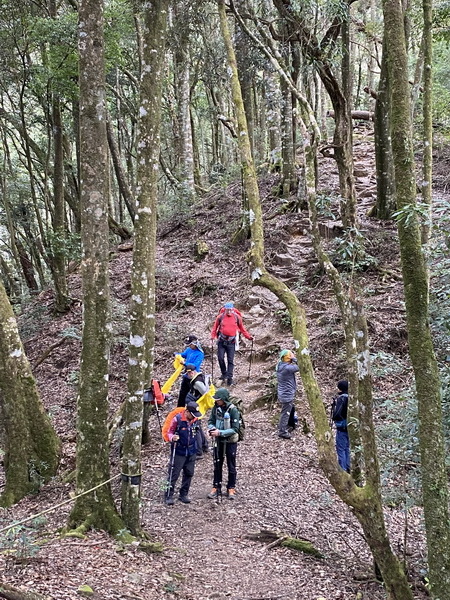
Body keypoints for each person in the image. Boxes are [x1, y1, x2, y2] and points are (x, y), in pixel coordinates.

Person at [165, 400, 202, 505]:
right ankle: (168, 495)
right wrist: (172, 437)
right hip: (179, 450)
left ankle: (183, 494)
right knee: (174, 473)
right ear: (187, 412)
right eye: (193, 414)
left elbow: (198, 433)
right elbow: (169, 431)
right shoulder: (177, 419)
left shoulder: (196, 420)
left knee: (189, 473)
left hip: (192, 450)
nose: (195, 417)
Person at [207, 387, 240, 500]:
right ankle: (216, 486)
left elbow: (235, 428)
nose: (217, 401)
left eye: (219, 399)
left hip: (230, 441)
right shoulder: (215, 408)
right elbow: (211, 420)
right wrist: (211, 429)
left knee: (231, 464)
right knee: (217, 463)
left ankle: (231, 487)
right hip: (218, 440)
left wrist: (220, 432)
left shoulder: (233, 410)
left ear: (224, 399)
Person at [210, 302, 253, 386]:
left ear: (233, 309)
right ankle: (224, 373)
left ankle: (230, 378)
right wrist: (212, 336)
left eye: (230, 310)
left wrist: (249, 337)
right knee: (220, 358)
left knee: (230, 360)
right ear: (225, 309)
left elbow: (242, 329)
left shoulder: (237, 317)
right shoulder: (220, 317)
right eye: (227, 310)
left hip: (231, 342)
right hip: (221, 341)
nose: (229, 311)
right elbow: (215, 328)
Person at [184, 364, 209, 458]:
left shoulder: (197, 382)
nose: (189, 374)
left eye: (190, 372)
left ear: (193, 372)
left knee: (195, 428)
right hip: (196, 406)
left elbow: (205, 394)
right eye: (188, 373)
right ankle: (204, 445)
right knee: (198, 426)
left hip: (196, 407)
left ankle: (199, 451)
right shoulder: (199, 377)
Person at [276, 349, 299, 439]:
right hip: (287, 394)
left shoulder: (280, 365)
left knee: (290, 409)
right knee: (285, 413)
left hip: (284, 393)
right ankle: (282, 431)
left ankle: (290, 424)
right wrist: (294, 359)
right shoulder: (287, 368)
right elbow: (300, 366)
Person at [176, 335, 204, 408]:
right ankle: (180, 408)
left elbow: (195, 365)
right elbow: (183, 355)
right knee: (182, 392)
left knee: (193, 394)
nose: (189, 346)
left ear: (195, 344)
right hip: (186, 374)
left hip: (194, 376)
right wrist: (177, 355)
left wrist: (185, 363)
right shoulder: (189, 350)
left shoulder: (200, 354)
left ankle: (193, 409)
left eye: (190, 344)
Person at [331, 380, 350, 473]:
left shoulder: (342, 398)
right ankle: (348, 466)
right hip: (350, 426)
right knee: (347, 447)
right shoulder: (352, 397)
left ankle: (343, 469)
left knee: (341, 448)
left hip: (342, 427)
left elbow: (337, 414)